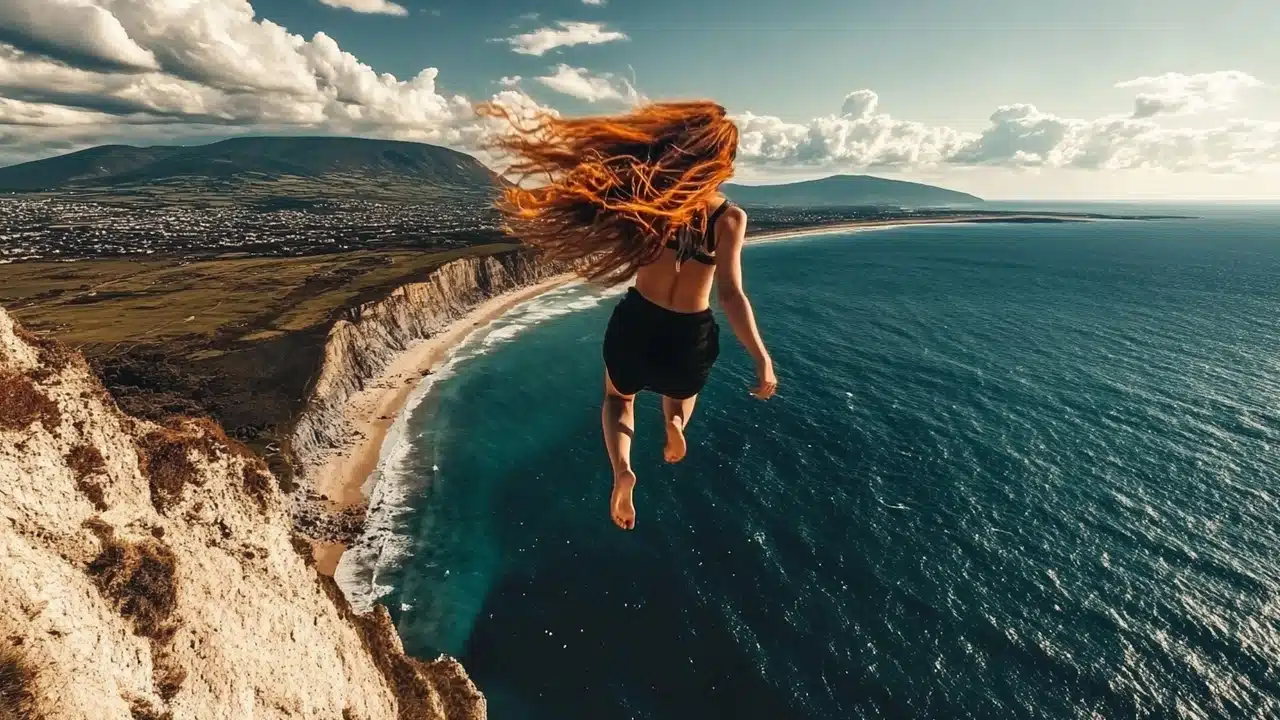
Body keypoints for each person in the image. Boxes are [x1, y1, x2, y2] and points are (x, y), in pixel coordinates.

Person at [477, 100, 776, 530]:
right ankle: (674, 422)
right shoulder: (729, 219)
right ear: (722, 162)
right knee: (682, 389)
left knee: (619, 398)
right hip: (689, 331)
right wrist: (761, 358)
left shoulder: (650, 196)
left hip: (637, 321)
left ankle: (622, 471)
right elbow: (731, 294)